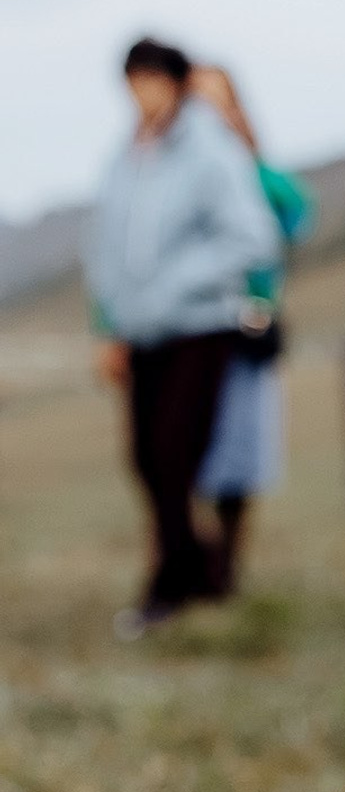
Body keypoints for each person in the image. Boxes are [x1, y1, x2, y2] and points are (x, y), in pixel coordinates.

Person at [87, 38, 281, 635]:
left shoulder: (209, 151)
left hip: (200, 328)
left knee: (176, 455)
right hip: (142, 332)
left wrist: (174, 285)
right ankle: (196, 567)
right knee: (145, 458)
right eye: (131, 81)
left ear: (171, 82)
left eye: (148, 79)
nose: (140, 93)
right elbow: (107, 244)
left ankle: (171, 583)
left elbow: (253, 237)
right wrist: (111, 320)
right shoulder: (127, 158)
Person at [188, 64, 312, 594]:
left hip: (246, 329)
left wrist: (245, 161)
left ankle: (224, 568)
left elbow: (299, 211)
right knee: (182, 450)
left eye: (219, 100)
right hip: (189, 326)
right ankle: (186, 559)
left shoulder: (253, 171)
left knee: (239, 452)